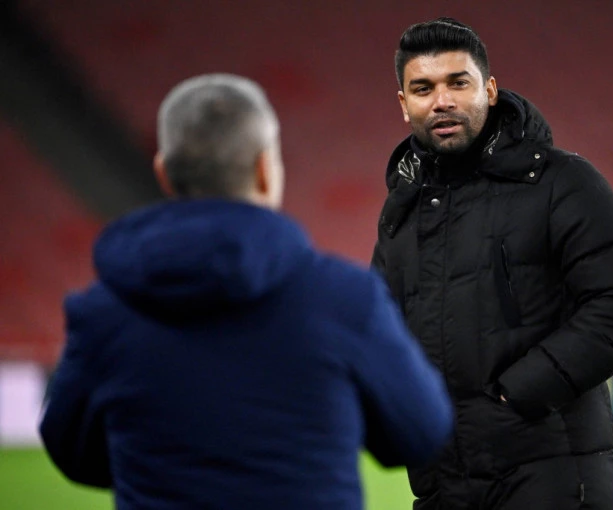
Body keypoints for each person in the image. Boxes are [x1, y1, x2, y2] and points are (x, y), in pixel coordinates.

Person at [39, 73, 454, 510]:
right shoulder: (344, 297)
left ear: (164, 174)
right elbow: (420, 431)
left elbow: (72, 451)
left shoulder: (103, 313)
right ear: (263, 170)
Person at [371, 18, 613, 510]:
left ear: (489, 90)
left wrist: (517, 395)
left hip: (551, 475)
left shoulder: (562, 182)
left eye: (458, 83)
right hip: (444, 483)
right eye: (423, 88)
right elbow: (381, 329)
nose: (442, 101)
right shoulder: (403, 210)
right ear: (404, 104)